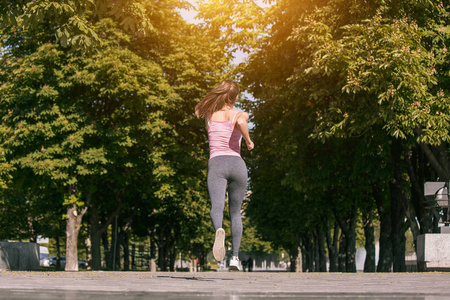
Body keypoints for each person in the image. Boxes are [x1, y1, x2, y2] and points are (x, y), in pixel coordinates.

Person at [195, 80, 254, 271]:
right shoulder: (238, 113)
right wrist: (248, 139)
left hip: (217, 164)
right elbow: (241, 121)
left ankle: (218, 230)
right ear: (236, 97)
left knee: (217, 207)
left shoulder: (209, 117)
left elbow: (204, 120)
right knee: (235, 212)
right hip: (237, 164)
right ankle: (235, 257)